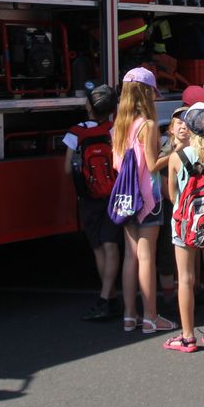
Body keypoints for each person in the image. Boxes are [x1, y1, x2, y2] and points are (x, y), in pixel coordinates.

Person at [112, 67, 178, 333]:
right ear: (146, 92)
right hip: (148, 198)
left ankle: (129, 315)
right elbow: (152, 165)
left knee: (130, 257)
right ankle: (151, 317)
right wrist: (174, 151)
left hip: (125, 198)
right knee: (147, 257)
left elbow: (117, 164)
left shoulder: (119, 124)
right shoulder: (148, 126)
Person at [163, 103, 204, 352]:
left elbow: (172, 196)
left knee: (186, 279)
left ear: (188, 128)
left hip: (183, 223)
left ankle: (188, 336)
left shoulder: (176, 158)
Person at [64, 83, 120, 321]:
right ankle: (109, 297)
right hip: (113, 196)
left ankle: (106, 296)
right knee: (112, 245)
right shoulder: (113, 130)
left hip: (88, 197)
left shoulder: (75, 132)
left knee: (98, 247)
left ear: (88, 105)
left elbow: (67, 168)